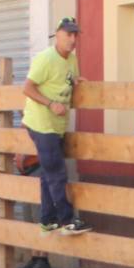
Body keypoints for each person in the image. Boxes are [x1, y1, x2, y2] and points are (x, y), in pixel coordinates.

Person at [22, 16, 90, 235]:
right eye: (68, 34)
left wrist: (76, 81)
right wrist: (50, 104)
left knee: (48, 171)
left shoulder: (72, 59)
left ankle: (47, 219)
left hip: (57, 124)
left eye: (75, 35)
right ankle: (66, 220)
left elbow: (67, 79)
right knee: (56, 171)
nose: (72, 39)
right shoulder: (46, 58)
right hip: (41, 123)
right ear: (57, 35)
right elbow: (27, 88)